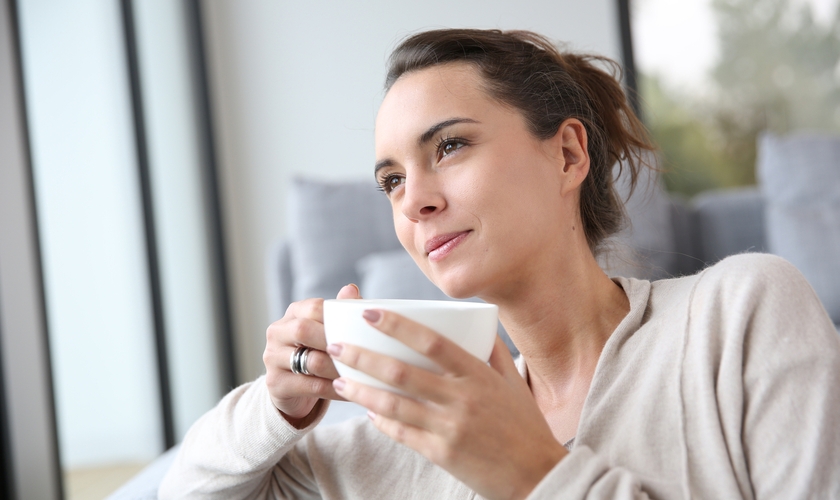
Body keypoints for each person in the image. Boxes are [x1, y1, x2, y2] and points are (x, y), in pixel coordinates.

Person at [159, 29, 840, 499]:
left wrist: (532, 474)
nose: (415, 200)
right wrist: (274, 408)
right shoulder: (410, 438)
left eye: (449, 147)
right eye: (391, 181)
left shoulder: (740, 315)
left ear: (568, 155)